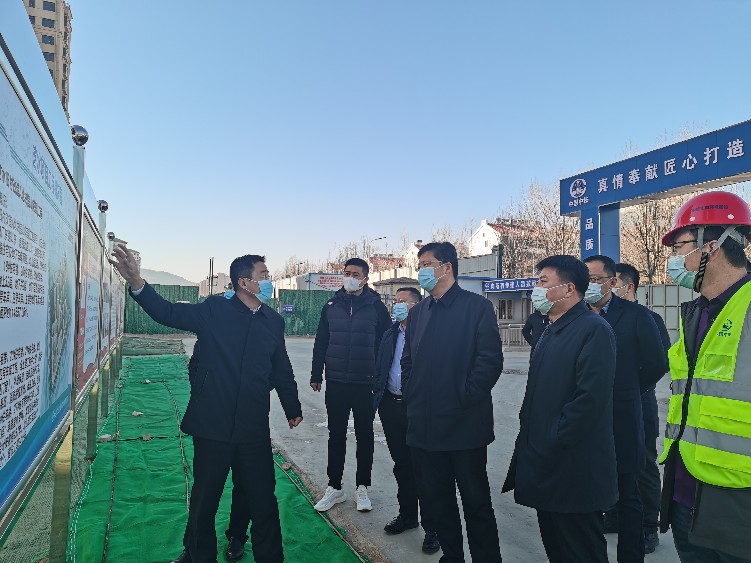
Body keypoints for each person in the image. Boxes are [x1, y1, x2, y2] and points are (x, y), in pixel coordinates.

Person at [110, 246, 303, 563]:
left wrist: (292, 407)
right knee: (205, 497)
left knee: (261, 498)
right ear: (244, 282)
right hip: (213, 424)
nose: (269, 281)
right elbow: (167, 313)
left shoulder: (273, 321)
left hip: (253, 426)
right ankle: (197, 553)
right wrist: (136, 281)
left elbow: (281, 367)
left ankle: (258, 550)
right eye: (264, 275)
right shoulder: (215, 310)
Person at [503, 255, 618, 563]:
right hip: (547, 461)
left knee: (581, 550)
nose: (536, 289)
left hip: (573, 466)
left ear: (568, 288)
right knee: (557, 547)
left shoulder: (593, 329)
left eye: (543, 282)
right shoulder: (551, 329)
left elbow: (589, 400)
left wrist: (554, 437)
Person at [658, 190, 751, 562]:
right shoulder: (694, 312)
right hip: (685, 495)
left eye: (679, 247)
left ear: (711, 246)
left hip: (738, 502)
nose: (674, 260)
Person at [402, 241, 504, 562]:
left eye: (426, 264)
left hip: (464, 425)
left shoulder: (477, 307)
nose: (421, 271)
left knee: (476, 502)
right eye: (419, 265)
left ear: (446, 267)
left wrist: (464, 396)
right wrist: (412, 395)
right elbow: (408, 362)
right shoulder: (419, 313)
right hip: (425, 428)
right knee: (438, 502)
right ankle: (452, 556)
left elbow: (489, 362)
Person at [583, 255, 667, 563]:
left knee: (636, 476)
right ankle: (611, 521)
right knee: (598, 479)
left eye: (595, 279)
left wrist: (628, 389)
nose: (590, 285)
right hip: (591, 416)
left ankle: (645, 531)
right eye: (586, 280)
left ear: (613, 282)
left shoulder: (639, 316)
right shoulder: (577, 315)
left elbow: (657, 362)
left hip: (631, 410)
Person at [310, 257, 392, 512]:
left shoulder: (377, 308)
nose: (350, 278)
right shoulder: (331, 306)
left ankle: (362, 487)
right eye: (347, 273)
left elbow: (385, 345)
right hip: (336, 381)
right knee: (336, 434)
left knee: (364, 434)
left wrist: (381, 379)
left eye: (355, 274)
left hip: (365, 382)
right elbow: (321, 341)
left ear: (365, 279)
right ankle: (334, 487)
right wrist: (316, 374)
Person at [373, 287, 440, 555]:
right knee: (402, 465)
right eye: (396, 301)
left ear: (418, 306)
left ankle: (433, 527)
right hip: (391, 407)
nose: (397, 305)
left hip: (420, 410)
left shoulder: (430, 334)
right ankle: (408, 515)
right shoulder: (389, 334)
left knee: (426, 469)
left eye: (403, 302)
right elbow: (381, 367)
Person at [612, 262, 670, 554]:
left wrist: (634, 389)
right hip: (608, 403)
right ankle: (615, 514)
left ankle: (648, 525)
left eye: (612, 282)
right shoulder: (601, 317)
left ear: (628, 287)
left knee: (643, 463)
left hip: (639, 399)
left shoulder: (647, 318)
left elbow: (659, 362)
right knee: (613, 459)